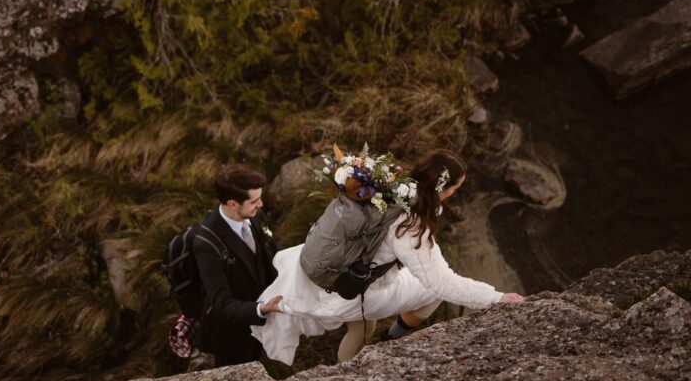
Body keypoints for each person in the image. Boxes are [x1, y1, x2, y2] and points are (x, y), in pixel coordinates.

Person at [250, 149, 524, 365]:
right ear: (443, 188)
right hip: (355, 289)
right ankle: (385, 344)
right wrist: (496, 298)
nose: (454, 194)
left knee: (362, 327)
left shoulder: (390, 183)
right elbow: (441, 282)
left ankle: (355, 359)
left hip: (338, 270)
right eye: (455, 188)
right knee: (431, 294)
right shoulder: (410, 225)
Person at [195, 165, 284, 367]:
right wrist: (261, 309)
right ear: (232, 203)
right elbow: (222, 305)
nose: (260, 204)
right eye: (254, 201)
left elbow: (270, 251)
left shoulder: (254, 215)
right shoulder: (206, 243)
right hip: (231, 335)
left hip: (261, 323)